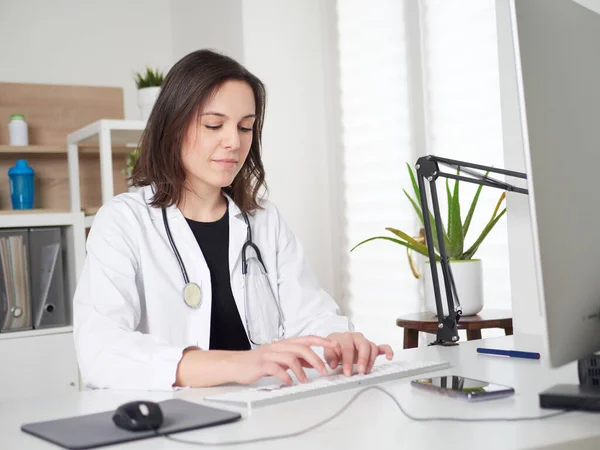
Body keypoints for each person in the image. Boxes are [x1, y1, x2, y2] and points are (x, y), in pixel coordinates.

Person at [73, 49, 393, 391]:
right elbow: (100, 350)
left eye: (245, 127)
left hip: (266, 413)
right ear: (173, 126)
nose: (234, 142)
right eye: (214, 125)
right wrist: (238, 363)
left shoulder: (264, 221)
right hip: (176, 424)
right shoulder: (123, 222)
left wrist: (338, 340)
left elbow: (310, 314)